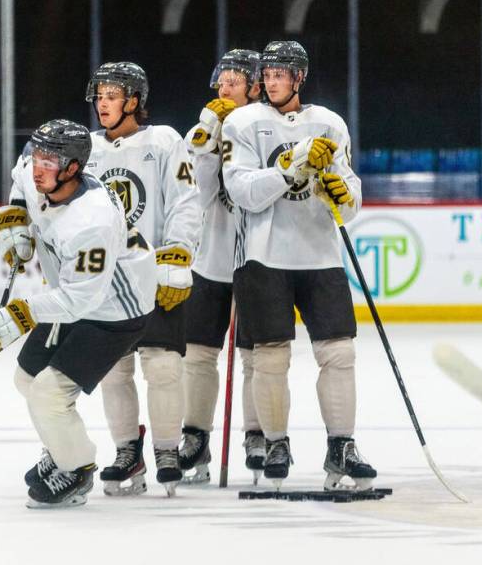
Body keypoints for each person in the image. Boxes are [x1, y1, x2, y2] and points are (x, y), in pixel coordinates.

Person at [220, 40, 376, 491]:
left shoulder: (329, 123)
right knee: (270, 358)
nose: (270, 81)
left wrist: (340, 194)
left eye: (280, 73)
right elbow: (241, 190)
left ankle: (341, 446)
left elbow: (348, 198)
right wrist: (289, 172)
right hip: (262, 256)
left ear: (299, 77)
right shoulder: (244, 122)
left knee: (340, 353)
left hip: (320, 255)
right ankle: (274, 442)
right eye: (266, 74)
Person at [0, 119, 156, 508]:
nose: (37, 166)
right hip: (79, 299)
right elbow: (19, 177)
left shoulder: (90, 220)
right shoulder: (41, 173)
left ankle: (76, 470)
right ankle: (62, 449)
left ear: (73, 168)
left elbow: (81, 302)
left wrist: (20, 315)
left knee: (47, 394)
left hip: (116, 311)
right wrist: (15, 217)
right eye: (37, 155)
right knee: (27, 378)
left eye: (49, 160)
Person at [85, 62, 202, 497]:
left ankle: (168, 450)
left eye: (111, 95)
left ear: (134, 100)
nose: (102, 103)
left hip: (153, 275)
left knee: (164, 366)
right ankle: (126, 453)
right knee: (114, 371)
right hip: (108, 282)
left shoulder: (165, 140)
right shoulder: (87, 149)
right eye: (99, 96)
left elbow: (186, 202)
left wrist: (177, 255)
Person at [179, 49, 263, 485]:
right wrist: (207, 139)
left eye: (235, 79)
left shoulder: (265, 128)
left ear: (255, 87)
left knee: (256, 355)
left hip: (257, 259)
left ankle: (257, 434)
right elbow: (196, 193)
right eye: (222, 79)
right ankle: (194, 436)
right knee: (197, 353)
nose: (225, 87)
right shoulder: (203, 130)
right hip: (210, 257)